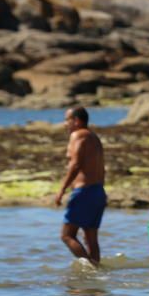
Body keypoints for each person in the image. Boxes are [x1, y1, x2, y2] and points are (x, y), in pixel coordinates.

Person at [54, 107, 106, 266]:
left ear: (76, 121)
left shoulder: (77, 135)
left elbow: (75, 164)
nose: (65, 124)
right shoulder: (94, 137)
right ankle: (96, 275)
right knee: (91, 238)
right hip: (98, 191)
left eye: (67, 120)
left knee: (66, 235)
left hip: (84, 191)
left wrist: (62, 189)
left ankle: (90, 270)